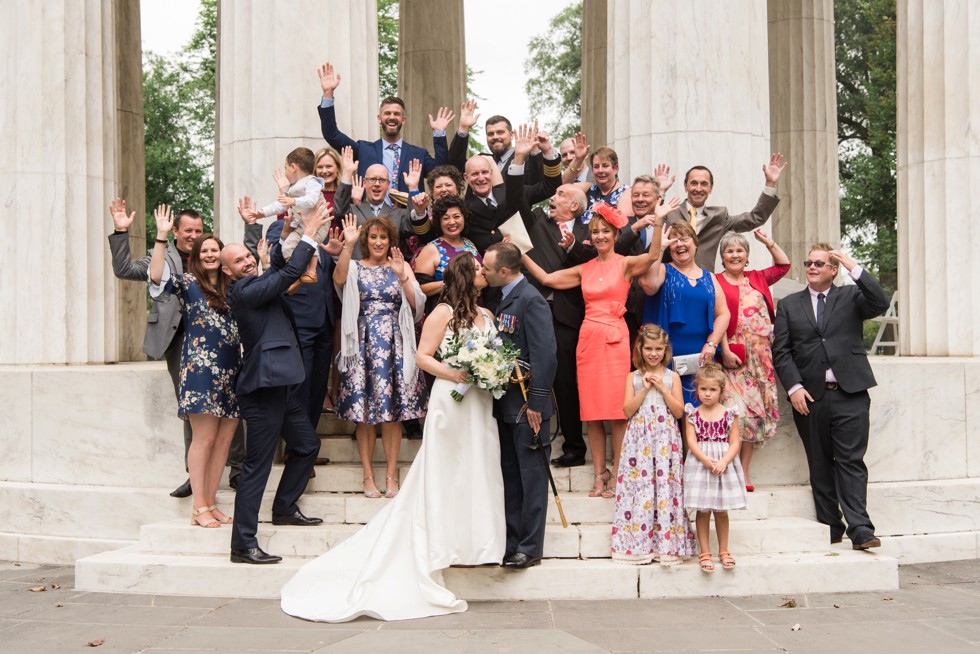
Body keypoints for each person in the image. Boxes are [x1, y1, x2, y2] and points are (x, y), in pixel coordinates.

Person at [280, 253, 505, 622]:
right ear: (466, 275)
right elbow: (422, 357)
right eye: (479, 269)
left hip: (480, 406)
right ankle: (441, 544)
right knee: (446, 473)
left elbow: (493, 356)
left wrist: (490, 371)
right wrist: (457, 373)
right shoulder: (442, 313)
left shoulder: (489, 316)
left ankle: (478, 543)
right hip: (451, 403)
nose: (484, 272)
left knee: (478, 470)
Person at [521, 203, 664, 500]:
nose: (599, 236)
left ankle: (620, 472)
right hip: (588, 339)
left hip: (615, 338)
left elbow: (652, 256)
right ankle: (600, 474)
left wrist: (659, 223)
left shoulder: (625, 263)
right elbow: (547, 279)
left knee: (617, 412)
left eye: (605, 232)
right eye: (595, 232)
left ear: (614, 234)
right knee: (593, 412)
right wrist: (520, 253)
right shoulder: (583, 268)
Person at [107, 199, 248, 497]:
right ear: (176, 231)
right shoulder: (164, 257)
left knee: (229, 406)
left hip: (222, 344)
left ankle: (236, 469)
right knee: (195, 409)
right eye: (188, 230)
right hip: (180, 341)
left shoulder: (219, 265)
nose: (194, 235)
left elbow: (245, 266)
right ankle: (193, 474)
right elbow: (125, 269)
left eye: (199, 230)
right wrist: (121, 233)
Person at [222, 209, 329, 565]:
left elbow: (281, 271)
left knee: (306, 445)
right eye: (238, 260)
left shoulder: (259, 284)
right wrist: (310, 233)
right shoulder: (241, 292)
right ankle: (243, 545)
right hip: (263, 385)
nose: (246, 262)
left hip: (283, 382)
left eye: (247, 256)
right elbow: (288, 273)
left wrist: (285, 238)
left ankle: (283, 507)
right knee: (258, 465)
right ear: (227, 271)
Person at [772, 243, 889, 550]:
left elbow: (880, 301)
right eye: (808, 262)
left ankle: (861, 529)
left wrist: (851, 264)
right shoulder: (788, 305)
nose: (811, 267)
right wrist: (794, 388)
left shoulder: (851, 297)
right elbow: (781, 352)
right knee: (820, 462)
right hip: (809, 397)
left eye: (819, 263)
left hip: (850, 393)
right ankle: (830, 526)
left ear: (833, 269)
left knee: (851, 462)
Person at [148, 207, 240, 528]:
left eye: (216, 249)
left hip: (232, 373)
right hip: (200, 370)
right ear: (197, 257)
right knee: (204, 439)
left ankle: (210, 502)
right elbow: (157, 277)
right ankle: (198, 506)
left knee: (224, 442)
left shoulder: (233, 287)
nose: (211, 254)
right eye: (206, 250)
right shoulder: (187, 283)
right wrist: (161, 237)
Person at [333, 215, 427, 499]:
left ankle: (390, 474)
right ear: (365, 240)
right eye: (373, 237)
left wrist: (402, 276)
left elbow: (416, 303)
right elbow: (338, 280)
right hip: (361, 343)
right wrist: (347, 247)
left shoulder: (402, 265)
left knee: (393, 414)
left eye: (383, 237)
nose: (378, 242)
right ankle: (367, 475)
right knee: (364, 416)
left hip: (396, 342)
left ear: (390, 241)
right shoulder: (355, 267)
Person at [482, 242, 557, 569]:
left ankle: (530, 547)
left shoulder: (531, 300)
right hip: (507, 405)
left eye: (486, 268)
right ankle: (512, 543)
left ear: (503, 271)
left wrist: (537, 403)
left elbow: (545, 355)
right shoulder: (503, 298)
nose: (482, 272)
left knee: (532, 478)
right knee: (511, 477)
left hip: (529, 407)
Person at [517, 183, 590, 467]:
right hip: (532, 309)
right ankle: (529, 438)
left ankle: (574, 447)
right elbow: (516, 196)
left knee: (565, 383)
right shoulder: (537, 219)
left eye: (560, 194)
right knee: (527, 376)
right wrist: (520, 163)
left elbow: (592, 264)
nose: (553, 197)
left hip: (568, 315)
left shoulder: (587, 231)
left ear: (574, 205)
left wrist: (572, 246)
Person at [613, 325, 696, 566]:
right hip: (639, 442)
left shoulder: (673, 378)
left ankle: (667, 546)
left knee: (665, 488)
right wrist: (646, 387)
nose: (653, 353)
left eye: (658, 349)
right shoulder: (633, 377)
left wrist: (661, 386)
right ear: (640, 349)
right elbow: (627, 410)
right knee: (641, 488)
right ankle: (638, 545)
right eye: (648, 349)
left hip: (664, 441)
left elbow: (679, 412)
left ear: (665, 350)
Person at [715, 230, 791, 491]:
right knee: (734, 413)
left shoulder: (758, 277)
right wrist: (723, 349)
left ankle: (743, 473)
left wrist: (769, 242)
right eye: (729, 251)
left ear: (746, 256)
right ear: (722, 257)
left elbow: (784, 265)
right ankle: (727, 467)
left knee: (754, 417)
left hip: (761, 359)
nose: (735, 255)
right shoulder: (715, 281)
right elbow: (716, 318)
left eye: (739, 250)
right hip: (733, 358)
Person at [317, 61, 449, 190]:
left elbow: (441, 172)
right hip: (369, 211)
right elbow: (331, 134)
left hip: (407, 212)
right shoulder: (363, 150)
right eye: (387, 113)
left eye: (396, 114)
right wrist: (328, 94)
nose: (392, 117)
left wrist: (439, 134)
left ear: (403, 120)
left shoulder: (418, 155)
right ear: (379, 119)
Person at [640, 220, 731, 405]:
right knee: (670, 410)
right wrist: (659, 249)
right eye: (673, 241)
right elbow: (649, 286)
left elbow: (724, 314)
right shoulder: (664, 269)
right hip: (666, 357)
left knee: (698, 410)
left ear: (695, 243)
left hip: (701, 356)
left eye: (684, 238)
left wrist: (712, 344)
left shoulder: (710, 277)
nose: (679, 244)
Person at [663, 155, 786, 271]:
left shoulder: (719, 216)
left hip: (703, 283)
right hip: (669, 278)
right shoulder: (670, 211)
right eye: (694, 183)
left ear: (711, 188)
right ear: (685, 186)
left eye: (704, 184)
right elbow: (651, 222)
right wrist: (660, 193)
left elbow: (755, 218)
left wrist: (770, 185)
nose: (699, 189)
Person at [683, 364, 747, 573]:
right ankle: (704, 552)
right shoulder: (692, 413)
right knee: (702, 510)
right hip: (701, 465)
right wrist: (705, 459)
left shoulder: (730, 414)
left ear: (721, 391)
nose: (707, 394)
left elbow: (735, 442)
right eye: (703, 389)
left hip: (722, 465)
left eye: (712, 390)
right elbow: (691, 441)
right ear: (697, 390)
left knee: (720, 510)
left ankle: (724, 550)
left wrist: (723, 461)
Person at [461, 123, 562, 254]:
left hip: (529, 265)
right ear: (466, 177)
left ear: (492, 173)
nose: (481, 178)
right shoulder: (464, 209)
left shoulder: (514, 192)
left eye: (485, 172)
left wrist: (548, 152)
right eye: (475, 174)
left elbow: (550, 187)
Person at [241, 148, 326, 286]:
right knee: (287, 247)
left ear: (293, 167)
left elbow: (312, 200)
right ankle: (293, 276)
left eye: (285, 168)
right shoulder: (292, 188)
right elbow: (280, 205)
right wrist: (261, 213)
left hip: (317, 224)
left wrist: (294, 201)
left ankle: (311, 272)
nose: (285, 172)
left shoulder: (313, 182)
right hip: (299, 225)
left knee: (311, 242)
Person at [412, 195, 481, 314]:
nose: (452, 222)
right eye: (446, 218)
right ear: (439, 222)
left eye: (456, 216)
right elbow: (419, 289)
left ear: (464, 218)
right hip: (448, 314)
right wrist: (452, 283)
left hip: (477, 310)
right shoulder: (432, 248)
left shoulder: (470, 244)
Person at [576, 146, 634, 222]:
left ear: (616, 169)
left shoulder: (626, 192)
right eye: (596, 167)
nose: (600, 170)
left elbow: (624, 228)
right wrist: (577, 161)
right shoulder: (587, 188)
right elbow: (561, 188)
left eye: (605, 166)